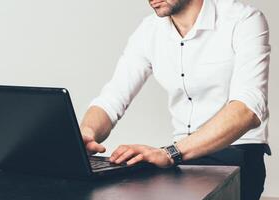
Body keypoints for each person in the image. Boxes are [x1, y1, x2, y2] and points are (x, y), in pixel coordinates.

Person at [79, 0, 271, 199]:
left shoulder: (243, 19)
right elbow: (112, 98)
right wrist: (87, 133)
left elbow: (247, 109)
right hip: (182, 158)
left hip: (236, 153)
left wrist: (171, 153)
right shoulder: (149, 29)